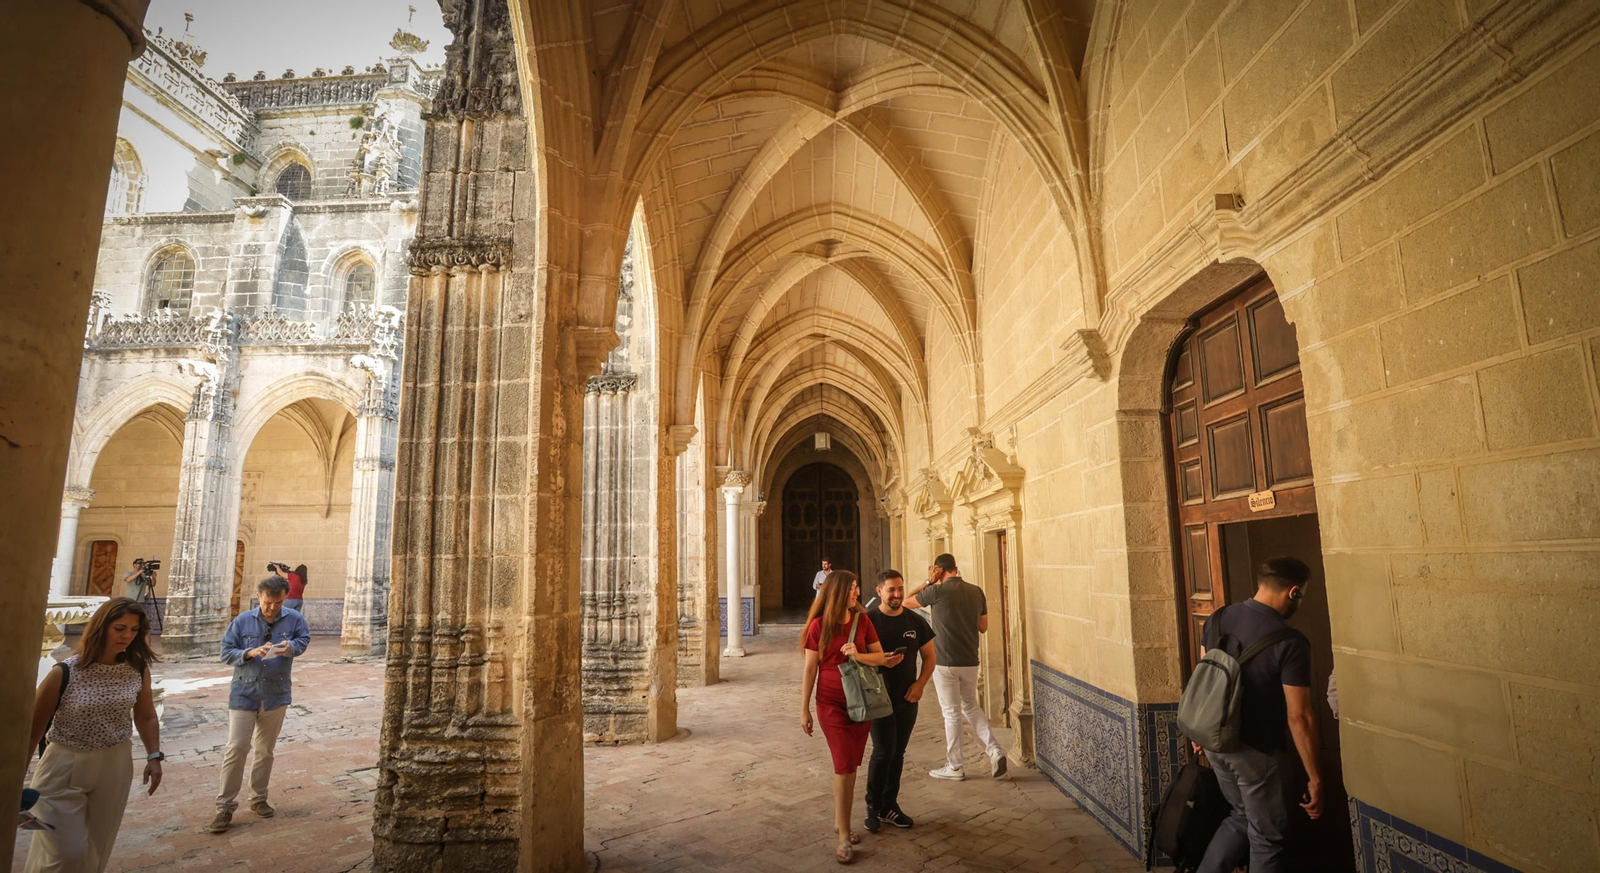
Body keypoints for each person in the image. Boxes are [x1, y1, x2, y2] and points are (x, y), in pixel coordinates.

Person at [1195, 556, 1321, 873]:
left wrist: (1199, 730)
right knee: (1267, 839)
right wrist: (1315, 776)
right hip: (1258, 753)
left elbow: (1204, 677)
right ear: (1294, 592)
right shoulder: (1291, 642)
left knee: (1240, 816)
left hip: (1215, 744)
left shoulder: (1218, 618)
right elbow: (1299, 716)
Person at [24, 597, 163, 872]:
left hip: (115, 763)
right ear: (101, 627)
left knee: (97, 846)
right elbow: (33, 731)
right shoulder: (64, 672)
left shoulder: (137, 669)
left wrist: (154, 756)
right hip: (64, 765)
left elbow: (146, 716)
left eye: (134, 630)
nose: (127, 636)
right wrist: (13, 781)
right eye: (120, 628)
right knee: (67, 852)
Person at [800, 570, 903, 864]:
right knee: (844, 765)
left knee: (850, 766)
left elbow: (880, 657)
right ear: (838, 592)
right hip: (830, 705)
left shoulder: (863, 621)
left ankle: (839, 820)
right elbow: (810, 668)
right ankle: (844, 835)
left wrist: (857, 654)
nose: (857, 592)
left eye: (857, 587)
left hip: (861, 703)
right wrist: (804, 708)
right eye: (853, 588)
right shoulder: (819, 626)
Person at [210, 575, 311, 834]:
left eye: (278, 603)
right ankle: (224, 807)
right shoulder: (242, 621)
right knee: (236, 748)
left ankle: (258, 798)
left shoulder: (294, 619)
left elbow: (303, 640)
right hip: (244, 693)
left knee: (265, 750)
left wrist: (290, 646)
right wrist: (250, 652)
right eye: (268, 603)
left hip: (276, 693)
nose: (272, 608)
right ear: (259, 598)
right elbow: (225, 652)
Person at [903, 553, 1006, 780]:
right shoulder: (976, 591)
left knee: (951, 713)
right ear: (956, 568)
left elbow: (905, 602)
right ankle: (995, 750)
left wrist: (928, 581)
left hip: (945, 662)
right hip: (970, 661)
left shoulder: (936, 591)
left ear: (938, 570)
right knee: (971, 707)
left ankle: (955, 767)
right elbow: (983, 627)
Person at [862, 570, 935, 833]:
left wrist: (920, 685)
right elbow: (855, 657)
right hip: (878, 698)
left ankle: (889, 805)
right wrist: (880, 661)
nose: (897, 594)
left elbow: (930, 657)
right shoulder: (868, 621)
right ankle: (873, 806)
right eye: (891, 590)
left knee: (898, 752)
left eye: (900, 589)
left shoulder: (915, 621)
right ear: (879, 591)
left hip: (907, 697)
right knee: (883, 751)